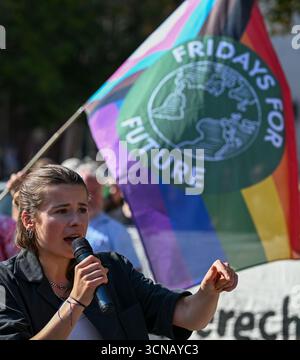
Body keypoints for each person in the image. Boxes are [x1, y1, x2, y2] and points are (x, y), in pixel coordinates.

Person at [0, 165, 238, 340]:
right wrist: (76, 301)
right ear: (29, 220)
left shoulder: (113, 268)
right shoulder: (7, 281)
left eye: (82, 209)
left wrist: (208, 291)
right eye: (62, 211)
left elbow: (189, 316)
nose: (76, 221)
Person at [66, 159, 141, 271]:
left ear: (102, 192)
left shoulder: (116, 230)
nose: (90, 198)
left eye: (95, 191)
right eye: (86, 191)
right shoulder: (64, 224)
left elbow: (134, 273)